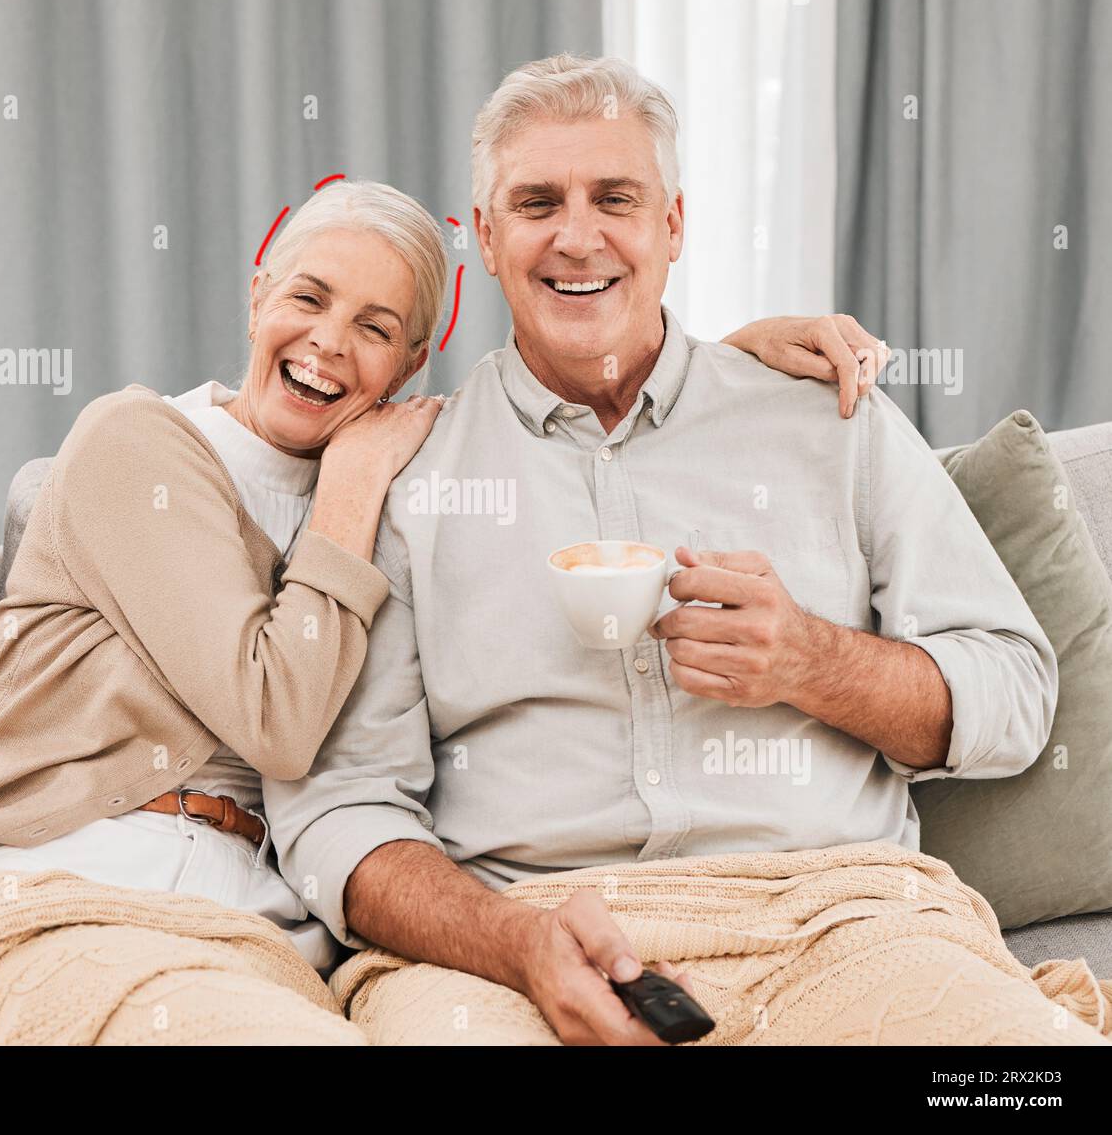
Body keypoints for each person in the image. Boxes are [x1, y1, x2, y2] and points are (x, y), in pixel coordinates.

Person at [0, 176, 871, 1013]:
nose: (330, 342)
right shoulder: (137, 443)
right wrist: (355, 485)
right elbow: (276, 720)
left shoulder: (412, 483)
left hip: (254, 921)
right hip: (71, 873)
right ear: (256, 293)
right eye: (308, 297)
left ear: (409, 366)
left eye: (377, 327)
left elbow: (558, 430)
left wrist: (724, 363)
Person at [259, 56, 1096, 1046]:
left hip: (839, 917)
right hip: (519, 941)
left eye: (615, 197)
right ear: (484, 236)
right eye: (536, 202)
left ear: (673, 225)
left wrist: (813, 661)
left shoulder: (828, 419)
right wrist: (512, 939)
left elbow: (1012, 692)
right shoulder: (404, 473)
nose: (578, 235)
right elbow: (338, 808)